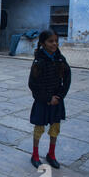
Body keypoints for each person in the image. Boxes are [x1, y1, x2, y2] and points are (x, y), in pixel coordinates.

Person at [28, 29, 71, 169]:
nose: (54, 44)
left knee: (55, 127)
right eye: (50, 41)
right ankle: (35, 155)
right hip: (42, 101)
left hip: (57, 101)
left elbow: (67, 79)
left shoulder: (60, 59)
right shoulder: (39, 61)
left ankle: (51, 154)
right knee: (39, 128)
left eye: (56, 41)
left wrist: (59, 96)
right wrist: (47, 98)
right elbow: (33, 84)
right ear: (43, 43)